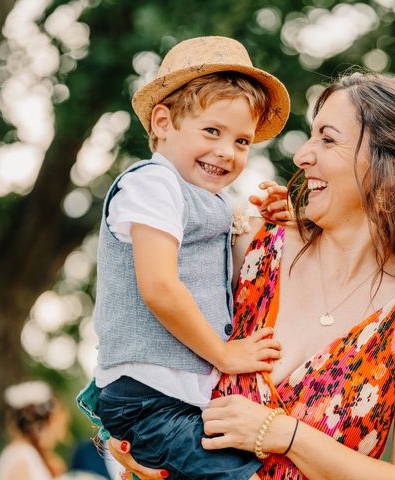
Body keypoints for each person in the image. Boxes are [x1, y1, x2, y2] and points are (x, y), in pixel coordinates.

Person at [108, 71, 395, 480]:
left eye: (328, 138)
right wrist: (129, 436)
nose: (302, 155)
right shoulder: (251, 245)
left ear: (391, 170)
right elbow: (142, 317)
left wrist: (284, 434)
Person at [76, 36, 291, 480]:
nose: (226, 152)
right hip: (146, 396)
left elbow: (242, 272)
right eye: (211, 131)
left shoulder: (211, 201)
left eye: (242, 141)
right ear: (163, 122)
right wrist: (225, 355)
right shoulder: (152, 183)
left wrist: (280, 220)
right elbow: (159, 286)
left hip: (180, 397)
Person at [0, 380, 68, 480]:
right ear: (41, 426)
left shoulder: (26, 454)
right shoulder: (21, 458)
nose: (58, 436)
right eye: (56, 426)